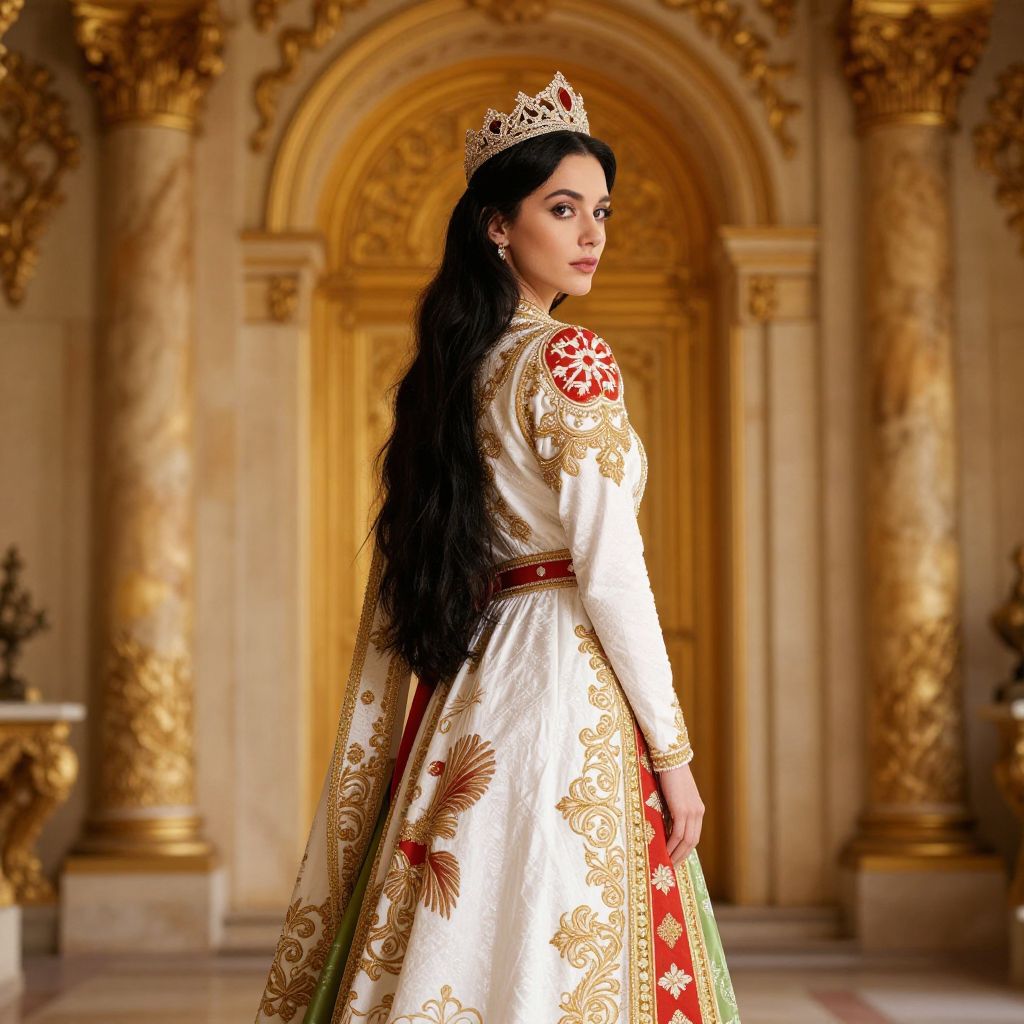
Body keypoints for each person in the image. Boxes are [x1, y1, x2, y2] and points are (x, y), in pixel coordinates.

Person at [255, 70, 741, 1024]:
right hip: (562, 680)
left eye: (600, 210)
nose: (593, 233)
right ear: (497, 225)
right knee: (558, 923)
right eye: (564, 209)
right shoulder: (571, 356)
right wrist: (674, 755)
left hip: (476, 684)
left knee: (474, 926)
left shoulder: (453, 374)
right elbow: (610, 573)